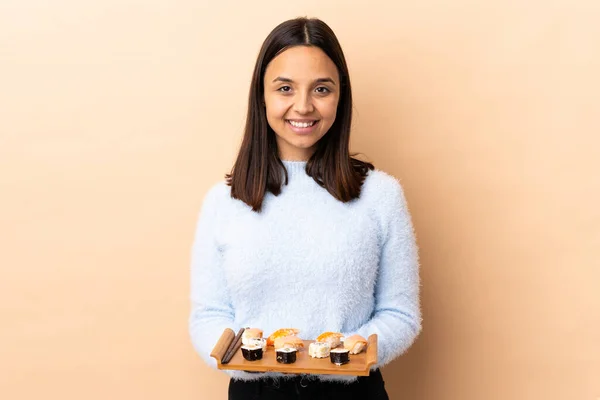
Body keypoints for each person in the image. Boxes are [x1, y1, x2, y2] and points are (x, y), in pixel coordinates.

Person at [189, 17, 421, 400]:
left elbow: (401, 315)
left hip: (352, 394)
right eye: (285, 88)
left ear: (340, 96)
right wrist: (251, 359)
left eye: (322, 89)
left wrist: (343, 354)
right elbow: (208, 315)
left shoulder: (381, 196)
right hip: (255, 394)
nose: (303, 106)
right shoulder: (222, 202)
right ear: (261, 96)